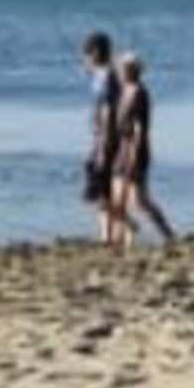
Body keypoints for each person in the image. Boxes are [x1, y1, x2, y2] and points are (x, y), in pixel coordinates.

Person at [109, 52, 177, 247]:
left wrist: (133, 157)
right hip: (122, 149)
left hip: (135, 151)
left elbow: (139, 129)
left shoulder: (139, 94)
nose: (120, 71)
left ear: (132, 70)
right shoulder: (124, 91)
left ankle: (167, 234)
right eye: (120, 67)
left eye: (123, 68)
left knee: (140, 201)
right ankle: (125, 235)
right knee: (115, 200)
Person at [80, 31, 122, 244]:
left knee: (100, 188)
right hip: (100, 136)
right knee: (101, 188)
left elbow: (108, 112)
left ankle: (121, 228)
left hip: (107, 138)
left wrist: (103, 145)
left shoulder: (107, 77)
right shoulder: (101, 75)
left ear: (96, 53)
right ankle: (107, 234)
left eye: (87, 54)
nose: (85, 58)